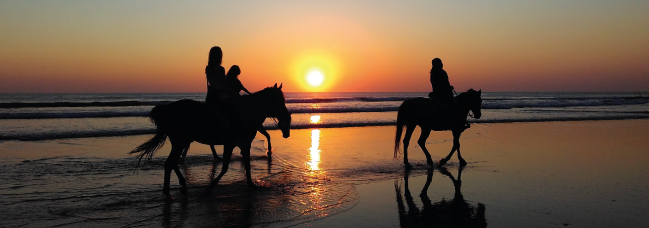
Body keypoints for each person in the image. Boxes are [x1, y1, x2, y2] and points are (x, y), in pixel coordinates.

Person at [204, 46, 231, 128]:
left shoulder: (208, 68)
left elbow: (211, 83)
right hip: (220, 97)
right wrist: (232, 93)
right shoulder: (220, 69)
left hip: (210, 97)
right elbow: (224, 86)